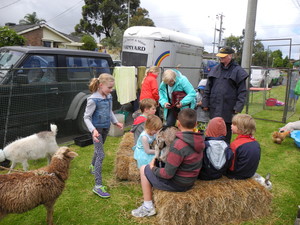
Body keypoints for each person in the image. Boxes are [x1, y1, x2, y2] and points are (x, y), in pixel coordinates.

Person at [131, 108, 204, 217]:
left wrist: (152, 168)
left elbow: (167, 174)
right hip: (190, 181)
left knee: (143, 169)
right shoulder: (200, 139)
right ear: (196, 124)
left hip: (178, 184)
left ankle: (148, 207)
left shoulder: (178, 144)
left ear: (178, 123)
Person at [84, 73, 124, 198]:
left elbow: (109, 111)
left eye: (112, 88)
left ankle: (92, 166)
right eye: (109, 88)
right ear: (101, 85)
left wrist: (115, 122)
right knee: (101, 154)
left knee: (98, 149)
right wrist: (93, 130)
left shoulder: (108, 96)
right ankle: (97, 186)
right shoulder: (93, 100)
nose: (111, 90)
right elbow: (86, 117)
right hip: (97, 131)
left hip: (106, 128)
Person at [202, 46, 248, 144]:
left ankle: (225, 151)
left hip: (228, 108)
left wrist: (238, 107)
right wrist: (205, 103)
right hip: (214, 107)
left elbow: (242, 91)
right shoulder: (215, 69)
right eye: (220, 56)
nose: (221, 58)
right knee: (213, 129)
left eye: (223, 56)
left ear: (230, 56)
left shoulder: (238, 71)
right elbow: (207, 88)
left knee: (226, 133)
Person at [225, 114, 260, 180]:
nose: (231, 125)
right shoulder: (255, 143)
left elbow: (231, 166)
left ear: (241, 128)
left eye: (234, 124)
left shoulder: (235, 145)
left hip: (236, 175)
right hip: (250, 173)